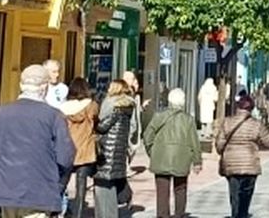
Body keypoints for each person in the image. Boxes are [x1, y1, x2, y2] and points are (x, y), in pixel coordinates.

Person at [0, 63, 77, 218]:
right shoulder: (53, 115)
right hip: (39, 192)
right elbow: (66, 157)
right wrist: (57, 184)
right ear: (45, 87)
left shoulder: (2, 113)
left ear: (21, 85)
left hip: (6, 191)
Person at [216, 93, 269, 218]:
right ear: (251, 108)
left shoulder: (227, 122)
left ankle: (235, 213)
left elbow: (219, 144)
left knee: (234, 194)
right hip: (250, 164)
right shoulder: (257, 124)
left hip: (231, 164)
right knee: (246, 194)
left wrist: (222, 151)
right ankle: (242, 214)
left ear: (238, 107)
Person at [145, 88, 202, 218]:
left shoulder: (158, 116)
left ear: (169, 101)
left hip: (161, 157)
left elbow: (147, 135)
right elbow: (194, 142)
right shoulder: (188, 120)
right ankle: (179, 214)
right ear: (182, 102)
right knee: (180, 189)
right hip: (181, 158)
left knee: (162, 191)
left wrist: (152, 152)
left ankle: (162, 215)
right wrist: (197, 161)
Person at [94, 80, 138, 218]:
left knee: (103, 188)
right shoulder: (129, 105)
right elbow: (133, 127)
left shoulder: (111, 103)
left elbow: (102, 126)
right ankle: (124, 197)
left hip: (106, 150)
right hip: (119, 150)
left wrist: (93, 121)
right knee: (113, 183)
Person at [59, 78, 99, 218]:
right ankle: (78, 214)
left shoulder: (63, 108)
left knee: (61, 184)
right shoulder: (91, 105)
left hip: (67, 150)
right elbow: (96, 122)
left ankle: (52, 212)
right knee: (81, 188)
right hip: (85, 150)